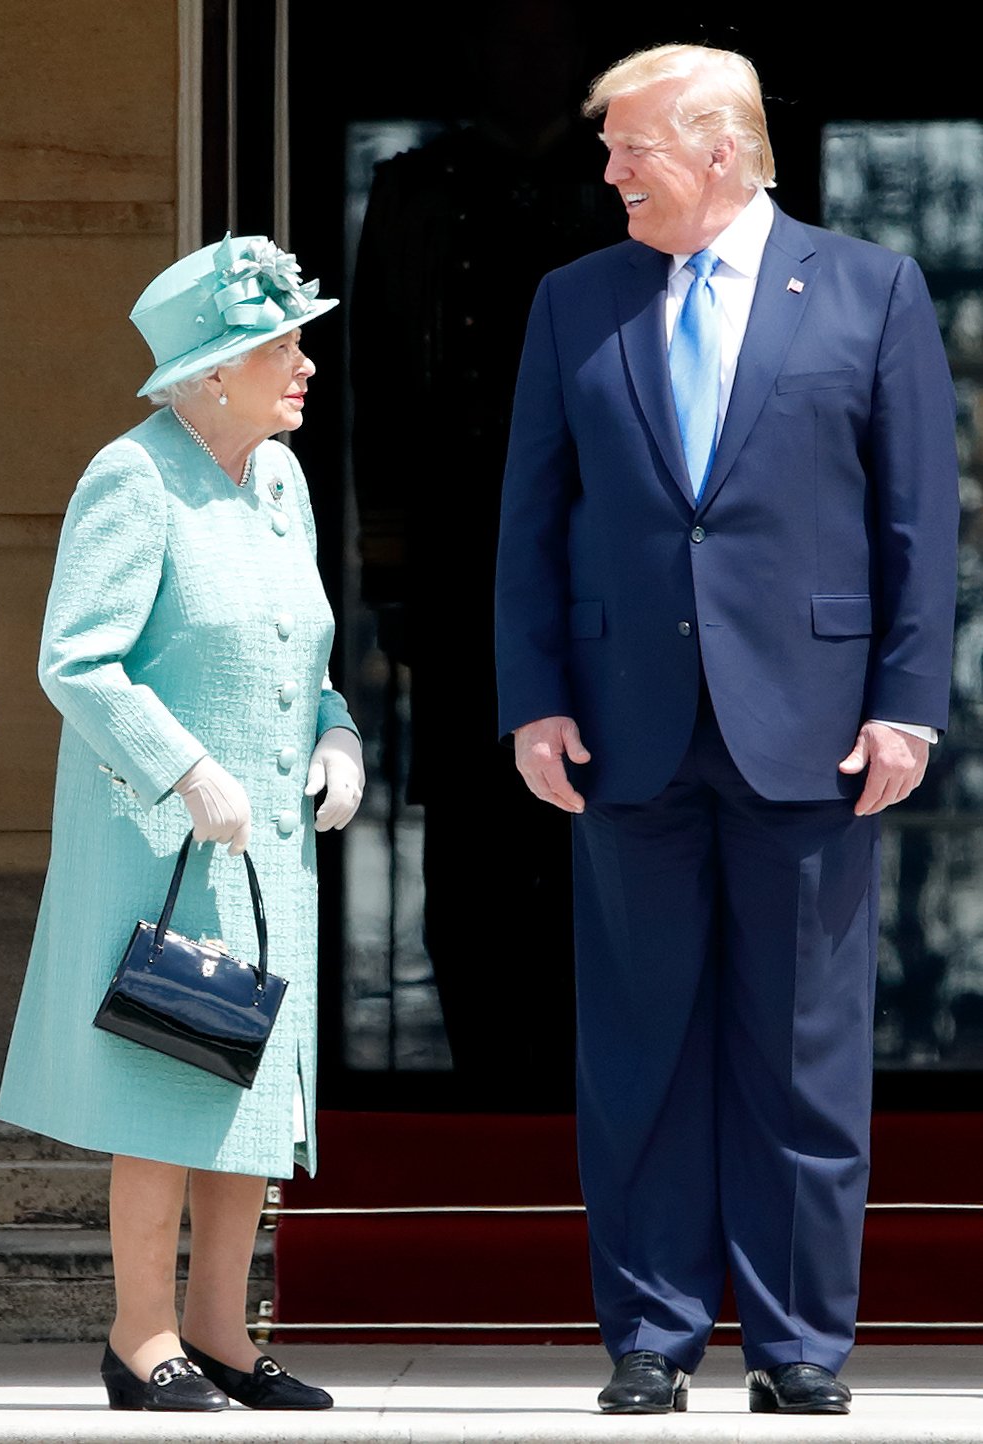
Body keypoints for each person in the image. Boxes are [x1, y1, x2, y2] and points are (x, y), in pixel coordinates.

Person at [494, 44, 960, 1415]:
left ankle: (797, 1344)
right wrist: (530, 697)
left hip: (813, 734)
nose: (605, 171)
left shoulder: (871, 288)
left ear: (717, 148)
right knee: (637, 1050)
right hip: (622, 728)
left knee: (803, 1057)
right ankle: (645, 1336)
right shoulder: (573, 300)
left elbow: (915, 524)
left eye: (627, 146)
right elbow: (528, 521)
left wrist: (903, 705)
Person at [0, 234, 364, 1412]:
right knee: (163, 1081)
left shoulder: (277, 480)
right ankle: (138, 1333)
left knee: (245, 1088)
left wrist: (337, 733)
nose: (304, 364)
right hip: (159, 841)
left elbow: (304, 655)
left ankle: (220, 1332)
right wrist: (183, 765)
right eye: (281, 346)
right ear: (210, 372)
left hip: (267, 854)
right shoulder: (133, 475)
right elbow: (78, 662)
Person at [349, 0, 620, 1106]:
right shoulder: (419, 190)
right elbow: (376, 393)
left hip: (608, 566)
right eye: (499, 37)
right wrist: (393, 580)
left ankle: (585, 1079)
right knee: (467, 835)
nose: (519, 61)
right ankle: (484, 1080)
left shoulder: (620, 187)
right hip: (463, 564)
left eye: (541, 39)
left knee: (598, 830)